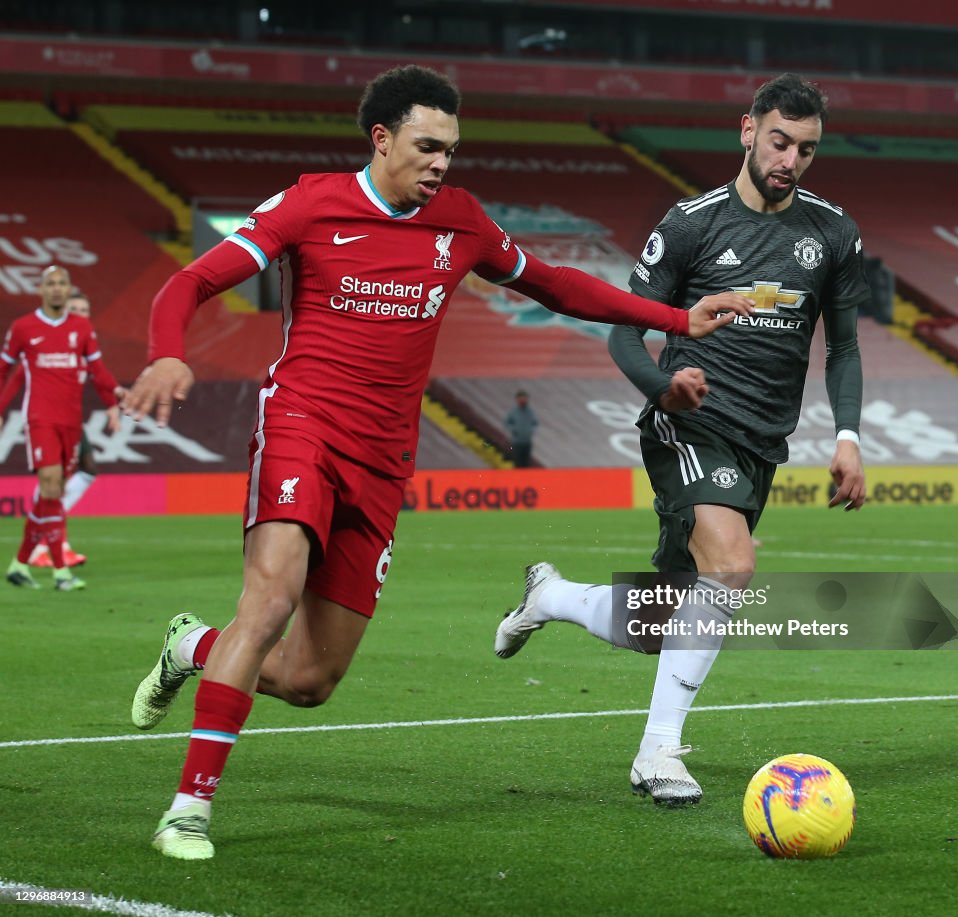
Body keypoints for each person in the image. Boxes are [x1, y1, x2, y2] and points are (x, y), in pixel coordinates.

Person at [123, 64, 754, 861]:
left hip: (384, 463)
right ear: (381, 139)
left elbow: (556, 284)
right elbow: (193, 279)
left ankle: (190, 647)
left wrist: (675, 317)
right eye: (427, 147)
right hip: (302, 428)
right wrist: (166, 354)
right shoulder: (311, 203)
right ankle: (189, 807)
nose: (441, 164)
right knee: (272, 596)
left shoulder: (460, 221)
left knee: (310, 680)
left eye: (450, 150)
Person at [495, 73, 869, 806]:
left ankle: (552, 595)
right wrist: (662, 388)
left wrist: (849, 435)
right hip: (686, 424)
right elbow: (625, 328)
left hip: (763, 442)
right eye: (779, 141)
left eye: (806, 148)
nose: (790, 158)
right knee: (732, 564)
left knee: (660, 618)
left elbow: (847, 346)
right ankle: (658, 751)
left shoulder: (832, 234)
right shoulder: (693, 223)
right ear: (747, 131)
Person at [0, 268, 122, 590]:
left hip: (71, 421)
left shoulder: (81, 328)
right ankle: (61, 572)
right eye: (50, 284)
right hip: (40, 419)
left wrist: (113, 399)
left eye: (61, 284)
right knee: (51, 485)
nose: (56, 289)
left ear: (68, 290)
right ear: (41, 289)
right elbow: (5, 370)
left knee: (51, 494)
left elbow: (98, 369)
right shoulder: (23, 328)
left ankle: (19, 565)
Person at [22, 292, 115, 568]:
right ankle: (46, 545)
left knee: (71, 477)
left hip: (70, 419)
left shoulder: (82, 342)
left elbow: (99, 375)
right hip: (48, 419)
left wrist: (111, 404)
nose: (80, 314)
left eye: (85, 309)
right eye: (75, 308)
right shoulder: (52, 341)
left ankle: (50, 544)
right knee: (66, 478)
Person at [504, 389, 538, 467]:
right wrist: (513, 429)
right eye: (521, 399)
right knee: (517, 463)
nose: (523, 401)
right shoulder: (513, 412)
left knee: (526, 464)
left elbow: (535, 424)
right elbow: (507, 423)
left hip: (527, 442)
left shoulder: (531, 412)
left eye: (525, 399)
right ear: (517, 400)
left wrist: (531, 431)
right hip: (517, 443)